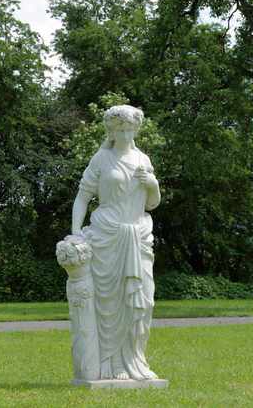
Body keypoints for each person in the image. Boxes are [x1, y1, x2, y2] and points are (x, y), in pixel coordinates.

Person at [71, 104, 161, 380]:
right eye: (119, 129)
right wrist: (75, 232)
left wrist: (152, 184)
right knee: (110, 305)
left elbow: (152, 203)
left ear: (136, 128)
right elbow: (83, 197)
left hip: (138, 235)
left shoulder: (143, 159)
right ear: (111, 130)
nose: (125, 134)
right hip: (107, 236)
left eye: (129, 128)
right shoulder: (101, 159)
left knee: (142, 303)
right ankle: (110, 365)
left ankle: (136, 362)